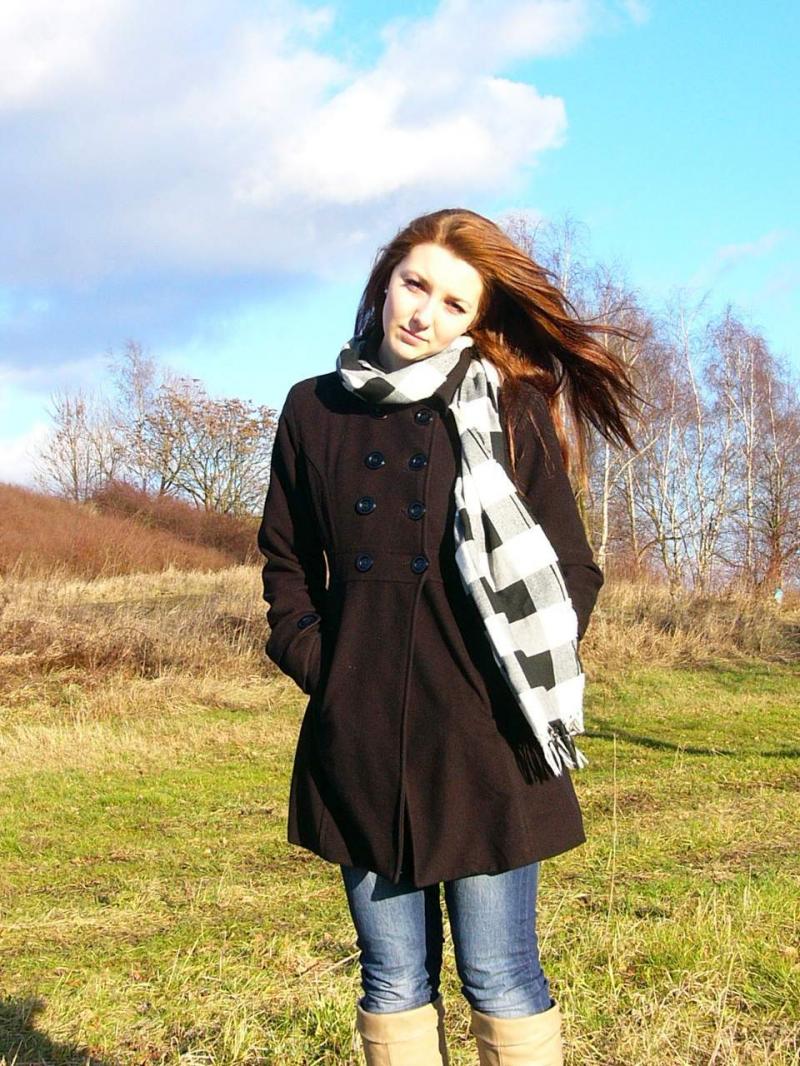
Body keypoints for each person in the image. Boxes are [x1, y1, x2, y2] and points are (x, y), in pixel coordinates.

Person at [258, 208, 637, 1065]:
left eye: (454, 303)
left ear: (475, 321)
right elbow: (287, 563)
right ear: (385, 281)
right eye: (415, 284)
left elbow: (572, 569)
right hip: (360, 737)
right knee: (392, 981)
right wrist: (324, 667)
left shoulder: (511, 407)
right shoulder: (313, 409)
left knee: (500, 976)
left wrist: (514, 678)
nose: (424, 313)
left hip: (487, 741)